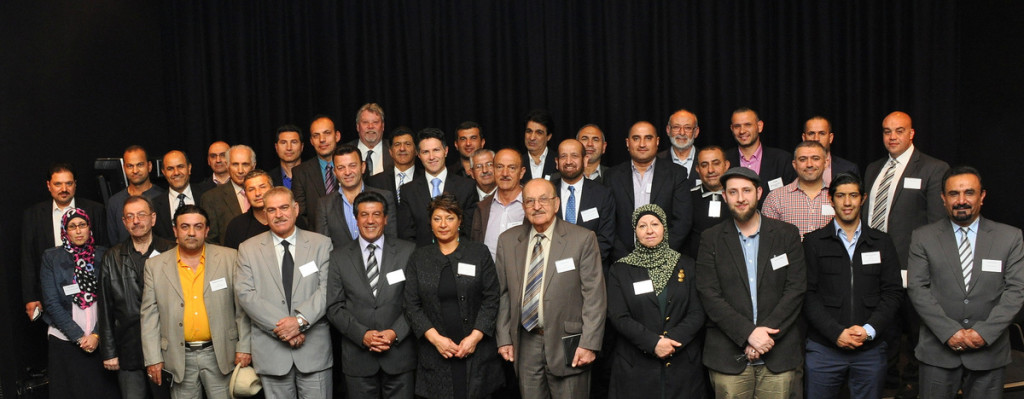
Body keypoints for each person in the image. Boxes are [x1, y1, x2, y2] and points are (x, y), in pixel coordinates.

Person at [907, 166, 1024, 399]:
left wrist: (983, 333)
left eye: (969, 193)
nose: (961, 200)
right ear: (943, 198)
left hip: (989, 353)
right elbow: (917, 289)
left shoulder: (1010, 237)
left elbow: (1016, 291)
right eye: (953, 194)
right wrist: (950, 332)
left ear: (982, 196)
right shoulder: (923, 237)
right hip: (937, 352)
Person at [695, 167, 806, 398]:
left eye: (746, 190)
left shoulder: (787, 234)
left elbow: (795, 289)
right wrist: (748, 333)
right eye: (733, 192)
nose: (740, 198)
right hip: (728, 356)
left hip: (779, 353)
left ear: (759, 192)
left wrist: (762, 338)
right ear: (724, 197)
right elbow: (709, 294)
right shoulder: (711, 239)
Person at [494, 178, 606, 398]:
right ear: (523, 206)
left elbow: (594, 295)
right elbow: (503, 295)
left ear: (556, 204)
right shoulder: (507, 241)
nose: (537, 206)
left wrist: (589, 343)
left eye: (543, 199)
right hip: (525, 343)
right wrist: (504, 337)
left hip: (570, 343)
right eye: (530, 201)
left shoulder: (582, 239)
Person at [863, 111, 949, 397]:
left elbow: (938, 226)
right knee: (883, 330)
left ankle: (913, 386)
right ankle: (886, 385)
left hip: (913, 269)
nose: (892, 136)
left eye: (899, 130)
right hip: (875, 268)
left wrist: (923, 268)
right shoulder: (873, 168)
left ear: (911, 134)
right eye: (887, 131)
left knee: (916, 332)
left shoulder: (933, 169)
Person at [802, 173, 903, 399]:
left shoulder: (882, 242)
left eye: (853, 195)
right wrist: (835, 333)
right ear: (831, 199)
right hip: (824, 349)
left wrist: (868, 330)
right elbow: (807, 295)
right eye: (841, 196)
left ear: (863, 198)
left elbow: (893, 293)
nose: (847, 203)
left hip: (870, 348)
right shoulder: (813, 242)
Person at [140, 205, 252, 399]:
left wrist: (244, 346)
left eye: (198, 227)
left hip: (222, 354)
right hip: (178, 357)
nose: (191, 233)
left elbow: (242, 308)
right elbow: (149, 315)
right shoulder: (155, 266)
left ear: (206, 230)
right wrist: (153, 358)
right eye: (185, 227)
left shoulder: (229, 258)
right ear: (175, 230)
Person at [235, 187, 333, 398]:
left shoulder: (321, 244)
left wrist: (298, 322)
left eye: (284, 208)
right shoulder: (248, 249)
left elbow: (327, 289)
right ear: (264, 214)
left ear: (296, 209)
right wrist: (284, 329)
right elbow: (246, 294)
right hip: (272, 353)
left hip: (313, 351)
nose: (279, 215)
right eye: (271, 210)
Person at [404, 194, 505, 399]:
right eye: (437, 218)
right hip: (435, 352)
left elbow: (492, 297)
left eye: (449, 218)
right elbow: (411, 305)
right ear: (430, 223)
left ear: (460, 221)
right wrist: (436, 339)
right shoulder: (419, 258)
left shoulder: (479, 253)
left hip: (476, 352)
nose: (443, 224)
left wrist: (475, 338)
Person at [606, 204, 707, 399]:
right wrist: (653, 343)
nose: (649, 230)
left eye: (655, 224)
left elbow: (697, 312)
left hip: (682, 365)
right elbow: (618, 316)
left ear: (664, 228)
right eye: (642, 226)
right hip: (636, 368)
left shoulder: (687, 264)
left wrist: (670, 342)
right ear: (635, 232)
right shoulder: (620, 269)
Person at [326, 191, 417, 399]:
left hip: (399, 357)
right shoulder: (338, 257)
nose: (370, 220)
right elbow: (334, 307)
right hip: (358, 359)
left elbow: (415, 302)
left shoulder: (408, 251)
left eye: (376, 214)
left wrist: (395, 332)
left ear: (385, 219)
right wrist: (363, 335)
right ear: (356, 219)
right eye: (364, 215)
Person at [21, 163, 108, 372]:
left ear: (75, 185)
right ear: (49, 186)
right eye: (58, 184)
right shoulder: (33, 214)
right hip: (52, 293)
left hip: (91, 297)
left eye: (68, 183)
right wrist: (30, 296)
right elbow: (27, 257)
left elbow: (105, 251)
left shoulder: (95, 210)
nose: (64, 189)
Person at [98, 196, 176, 398]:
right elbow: (105, 308)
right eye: (130, 217)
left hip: (166, 347)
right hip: (128, 349)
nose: (136, 221)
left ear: (153, 218)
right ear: (123, 223)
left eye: (141, 215)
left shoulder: (171, 250)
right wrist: (109, 352)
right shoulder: (112, 257)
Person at [40, 208, 120, 398]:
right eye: (72, 226)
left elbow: (112, 299)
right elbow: (51, 302)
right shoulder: (51, 257)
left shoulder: (104, 254)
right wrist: (79, 337)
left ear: (89, 228)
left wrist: (96, 335)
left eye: (82, 225)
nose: (78, 231)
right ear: (65, 231)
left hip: (99, 339)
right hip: (65, 340)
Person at [604, 121, 692, 260]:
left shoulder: (676, 174)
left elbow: (683, 220)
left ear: (657, 141)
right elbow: (607, 222)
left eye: (648, 138)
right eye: (636, 138)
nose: (642, 144)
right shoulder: (612, 176)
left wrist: (661, 254)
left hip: (665, 260)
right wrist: (626, 257)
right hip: (623, 260)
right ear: (628, 143)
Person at [397, 128, 477, 246]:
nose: (431, 157)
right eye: (425, 152)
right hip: (421, 259)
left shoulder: (466, 186)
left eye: (436, 150)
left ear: (446, 151)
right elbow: (406, 236)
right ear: (418, 155)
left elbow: (469, 231)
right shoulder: (408, 191)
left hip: (458, 257)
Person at [316, 145, 397, 249]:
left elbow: (392, 240)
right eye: (341, 168)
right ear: (335, 172)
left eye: (352, 165)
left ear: (363, 167)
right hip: (340, 264)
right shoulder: (325, 204)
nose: (347, 172)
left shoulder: (384, 197)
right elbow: (323, 246)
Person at [552, 138, 616, 268]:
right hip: (553, 271)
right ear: (557, 162)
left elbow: (605, 239)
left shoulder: (602, 194)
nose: (569, 161)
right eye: (563, 156)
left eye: (574, 156)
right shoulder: (547, 193)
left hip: (591, 269)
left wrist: (575, 264)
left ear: (585, 160)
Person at [761, 141, 834, 239]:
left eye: (815, 158)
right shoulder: (775, 198)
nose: (809, 164)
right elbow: (767, 239)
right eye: (803, 159)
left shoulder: (838, 196)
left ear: (826, 163)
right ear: (794, 164)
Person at [724, 108, 796, 198]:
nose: (742, 131)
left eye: (748, 125)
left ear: (760, 126)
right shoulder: (723, 161)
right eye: (737, 126)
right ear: (732, 129)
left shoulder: (783, 160)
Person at [471, 148, 527, 260]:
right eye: (499, 167)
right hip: (489, 275)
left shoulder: (532, 206)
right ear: (494, 170)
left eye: (511, 168)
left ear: (521, 172)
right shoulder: (482, 208)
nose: (505, 173)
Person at [107, 145, 167, 243]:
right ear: (124, 169)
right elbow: (113, 242)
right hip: (124, 257)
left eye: (140, 165)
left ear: (149, 166)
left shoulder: (163, 198)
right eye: (130, 166)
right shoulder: (114, 202)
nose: (135, 171)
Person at [200, 144, 256, 244]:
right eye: (235, 164)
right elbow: (211, 239)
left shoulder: (265, 193)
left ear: (253, 166)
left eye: (245, 164)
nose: (240, 170)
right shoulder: (211, 198)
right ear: (227, 165)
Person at [154, 150, 215, 240]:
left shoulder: (209, 195)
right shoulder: (154, 205)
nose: (176, 172)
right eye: (170, 169)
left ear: (189, 168)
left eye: (180, 167)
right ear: (163, 172)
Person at [292, 114, 342, 225]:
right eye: (316, 135)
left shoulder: (352, 166)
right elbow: (300, 214)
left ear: (337, 136)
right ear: (311, 141)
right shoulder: (300, 172)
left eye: (327, 133)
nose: (322, 140)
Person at [683, 146, 730, 258]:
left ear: (726, 165)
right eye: (704, 165)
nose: (710, 170)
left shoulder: (738, 197)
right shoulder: (687, 198)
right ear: (698, 169)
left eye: (716, 163)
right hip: (698, 266)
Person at [222, 169, 274, 249]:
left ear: (272, 189)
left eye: (262, 187)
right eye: (251, 189)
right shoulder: (236, 226)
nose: (257, 193)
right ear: (245, 194)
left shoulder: (287, 219)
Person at [366, 126, 419, 204]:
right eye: (397, 144)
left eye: (407, 144)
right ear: (390, 152)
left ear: (416, 151)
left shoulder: (425, 178)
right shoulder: (375, 182)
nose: (402, 148)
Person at [801, 116, 858, 185]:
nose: (816, 138)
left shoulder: (848, 169)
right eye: (811, 133)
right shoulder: (792, 169)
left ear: (830, 138)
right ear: (804, 138)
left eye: (822, 133)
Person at [350, 103, 393, 177]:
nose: (370, 126)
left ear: (383, 126)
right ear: (357, 127)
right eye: (365, 122)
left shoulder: (394, 149)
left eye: (375, 122)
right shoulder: (345, 150)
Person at [658, 109, 701, 181]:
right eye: (676, 127)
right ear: (668, 130)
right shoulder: (657, 161)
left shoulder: (706, 160)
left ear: (696, 132)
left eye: (687, 128)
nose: (682, 133)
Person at [521, 109, 557, 182]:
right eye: (529, 131)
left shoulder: (558, 161)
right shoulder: (518, 162)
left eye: (539, 133)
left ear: (548, 136)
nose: (532, 137)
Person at [269, 124, 304, 189]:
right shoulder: (268, 178)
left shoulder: (314, 175)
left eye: (294, 142)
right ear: (276, 147)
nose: (289, 148)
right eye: (283, 142)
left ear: (301, 146)